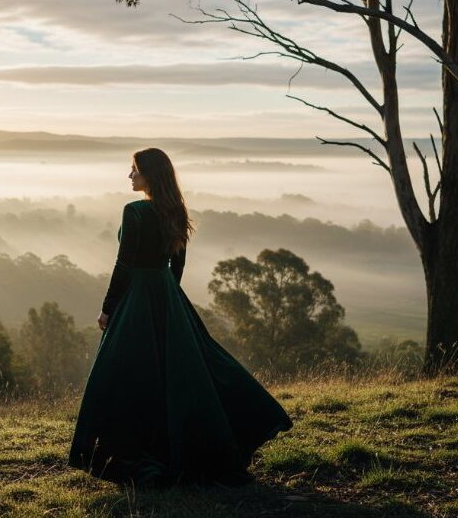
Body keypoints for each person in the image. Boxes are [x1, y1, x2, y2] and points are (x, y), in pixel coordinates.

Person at [67, 148, 292, 488]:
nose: (130, 176)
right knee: (187, 372)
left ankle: (135, 453)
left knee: (125, 374)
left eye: (134, 170)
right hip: (168, 295)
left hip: (138, 297)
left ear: (150, 175)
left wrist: (108, 307)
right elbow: (178, 266)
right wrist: (168, 299)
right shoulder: (177, 211)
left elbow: (124, 265)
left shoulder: (136, 212)